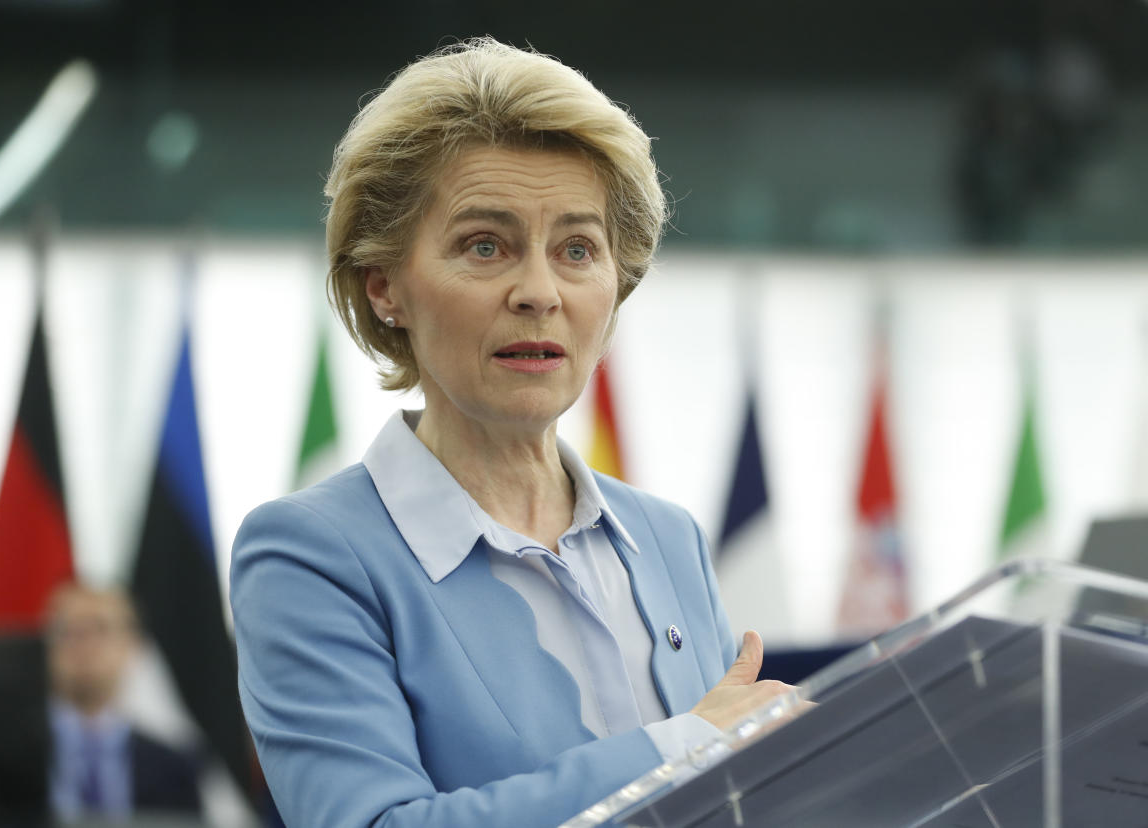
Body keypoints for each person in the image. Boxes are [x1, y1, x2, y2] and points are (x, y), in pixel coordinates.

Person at [230, 37, 794, 828]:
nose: (539, 291)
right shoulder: (310, 555)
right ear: (385, 285)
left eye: (576, 249)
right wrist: (681, 748)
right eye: (485, 245)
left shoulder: (667, 538)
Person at [45, 583, 203, 822]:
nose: (84, 644)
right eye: (68, 630)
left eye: (100, 628)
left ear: (133, 645)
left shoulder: (173, 766)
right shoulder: (5, 760)